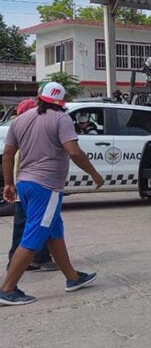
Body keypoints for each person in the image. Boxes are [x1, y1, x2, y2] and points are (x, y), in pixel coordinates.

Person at [0, 82, 105, 306]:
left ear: (40, 97)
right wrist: (95, 175)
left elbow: (8, 153)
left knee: (54, 233)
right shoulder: (61, 118)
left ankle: (73, 278)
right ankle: (7, 289)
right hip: (46, 188)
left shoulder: (21, 119)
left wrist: (8, 183)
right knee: (34, 236)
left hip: (25, 184)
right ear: (61, 101)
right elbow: (73, 151)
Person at [6, 98, 56, 272]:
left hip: (24, 187)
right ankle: (26, 261)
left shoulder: (20, 130)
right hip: (32, 187)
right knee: (36, 224)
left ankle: (35, 258)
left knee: (31, 224)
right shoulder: (28, 134)